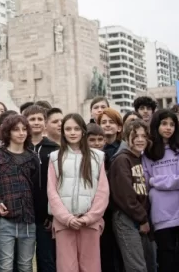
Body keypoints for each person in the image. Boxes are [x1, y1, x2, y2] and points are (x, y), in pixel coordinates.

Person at [47, 113, 109, 272]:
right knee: (66, 267)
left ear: (83, 131)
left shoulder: (98, 157)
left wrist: (89, 217)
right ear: (63, 132)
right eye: (68, 129)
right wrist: (66, 218)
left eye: (76, 128)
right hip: (63, 224)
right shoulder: (55, 157)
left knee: (91, 267)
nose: (72, 132)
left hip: (90, 223)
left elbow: (102, 192)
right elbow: (52, 192)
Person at [142, 110, 179, 272]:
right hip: (162, 215)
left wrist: (156, 181)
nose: (168, 128)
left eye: (172, 124)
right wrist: (165, 181)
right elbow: (146, 184)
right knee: (167, 262)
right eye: (164, 123)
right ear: (156, 126)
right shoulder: (147, 153)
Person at [0, 114, 39, 272]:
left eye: (24, 129)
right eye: (16, 130)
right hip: (5, 220)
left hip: (28, 220)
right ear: (7, 132)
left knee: (25, 266)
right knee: (5, 267)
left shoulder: (32, 157)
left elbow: (36, 188)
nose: (21, 133)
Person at [109, 119, 155, 272]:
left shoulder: (140, 159)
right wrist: (142, 218)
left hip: (140, 217)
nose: (140, 140)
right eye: (135, 136)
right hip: (126, 218)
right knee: (137, 267)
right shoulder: (122, 159)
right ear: (126, 137)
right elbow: (125, 195)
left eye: (144, 136)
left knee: (149, 264)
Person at [24, 105, 58, 272]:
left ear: (45, 123)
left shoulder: (54, 149)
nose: (36, 122)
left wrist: (53, 214)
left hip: (46, 215)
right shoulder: (19, 147)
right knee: (24, 261)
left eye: (39, 119)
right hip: (24, 215)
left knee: (47, 259)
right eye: (32, 119)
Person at [96, 107, 124, 272]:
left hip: (120, 207)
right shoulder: (94, 151)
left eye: (111, 122)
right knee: (104, 251)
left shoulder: (125, 149)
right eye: (103, 122)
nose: (107, 125)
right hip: (102, 209)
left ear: (119, 127)